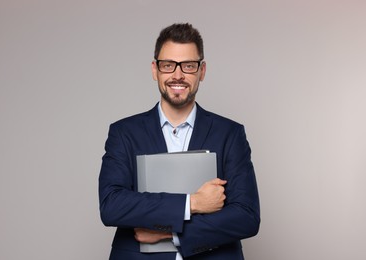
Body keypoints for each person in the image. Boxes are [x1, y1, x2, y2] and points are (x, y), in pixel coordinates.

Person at [99, 23, 260, 260]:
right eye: (168, 65)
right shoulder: (123, 133)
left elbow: (246, 216)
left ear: (202, 71)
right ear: (155, 70)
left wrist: (169, 234)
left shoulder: (230, 134)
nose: (177, 75)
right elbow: (112, 205)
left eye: (188, 66)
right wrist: (192, 203)